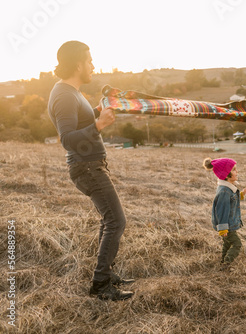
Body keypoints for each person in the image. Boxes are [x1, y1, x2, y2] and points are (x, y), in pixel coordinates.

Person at [48, 41, 134, 300]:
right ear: (77, 64)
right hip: (86, 167)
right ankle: (100, 285)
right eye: (89, 60)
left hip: (92, 164)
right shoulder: (64, 94)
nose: (93, 65)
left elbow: (80, 121)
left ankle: (106, 273)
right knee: (116, 221)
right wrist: (98, 125)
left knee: (108, 220)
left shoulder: (71, 91)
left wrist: (99, 110)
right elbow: (67, 138)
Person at [203, 158, 246, 270]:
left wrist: (241, 194)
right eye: (234, 170)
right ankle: (226, 264)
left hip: (229, 224)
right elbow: (222, 210)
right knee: (237, 244)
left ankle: (223, 261)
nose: (237, 172)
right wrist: (223, 228)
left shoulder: (228, 188)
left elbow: (232, 200)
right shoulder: (224, 191)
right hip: (227, 225)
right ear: (226, 175)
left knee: (227, 243)